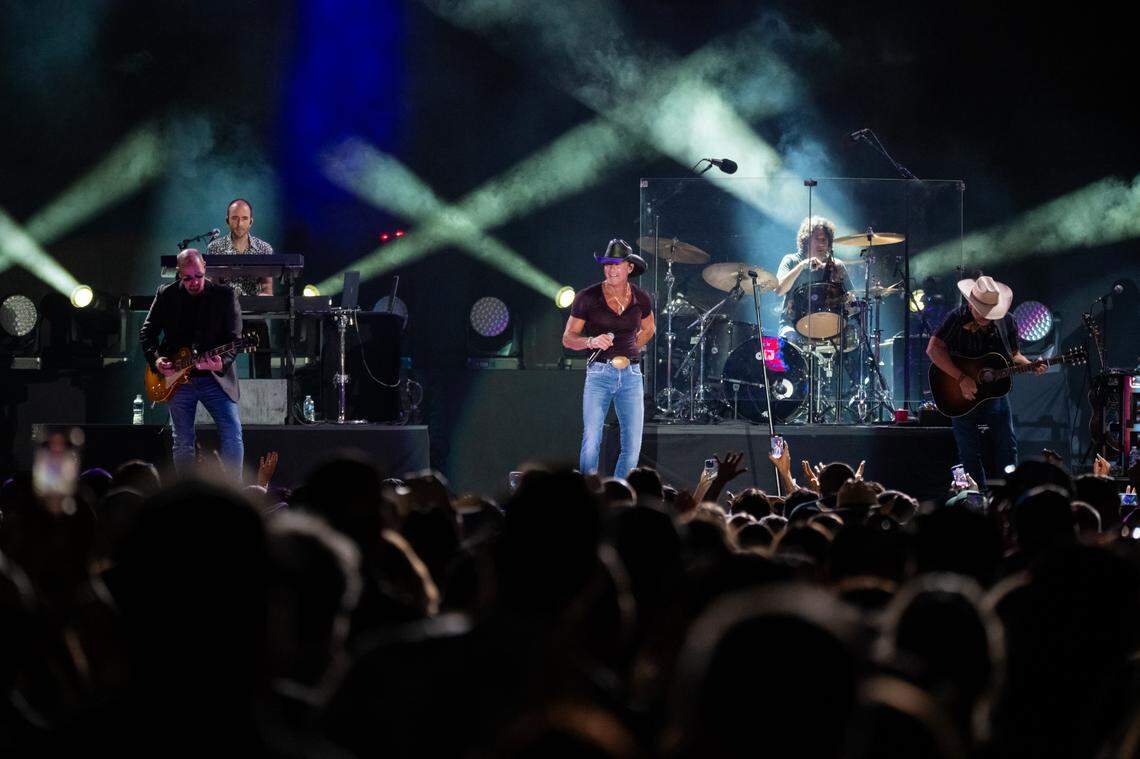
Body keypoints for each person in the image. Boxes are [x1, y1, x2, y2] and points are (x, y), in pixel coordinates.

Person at [926, 275, 1045, 488]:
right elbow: (933, 349)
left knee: (1007, 446)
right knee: (968, 451)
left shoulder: (1007, 321)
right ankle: (975, 495)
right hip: (959, 393)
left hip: (994, 393)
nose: (985, 316)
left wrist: (1030, 364)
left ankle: (1011, 493)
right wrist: (961, 378)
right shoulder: (956, 318)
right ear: (971, 303)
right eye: (981, 309)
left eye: (989, 311)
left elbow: (1014, 355)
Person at [140, 248, 244, 478]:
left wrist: (221, 363)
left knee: (232, 432)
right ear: (179, 273)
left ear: (204, 267)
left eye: (198, 276)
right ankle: (186, 490)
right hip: (177, 379)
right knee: (182, 440)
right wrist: (157, 360)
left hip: (214, 379)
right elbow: (147, 333)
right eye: (187, 278)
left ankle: (233, 490)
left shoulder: (224, 295)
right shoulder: (166, 294)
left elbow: (235, 340)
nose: (194, 282)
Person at [562, 239, 655, 478]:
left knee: (632, 445)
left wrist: (634, 347)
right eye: (607, 264)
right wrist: (591, 341)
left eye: (616, 264)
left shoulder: (641, 298)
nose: (611, 269)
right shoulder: (587, 297)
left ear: (629, 267)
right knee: (592, 438)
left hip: (631, 375)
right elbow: (568, 338)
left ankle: (619, 492)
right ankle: (589, 492)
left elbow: (649, 328)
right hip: (599, 374)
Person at [207, 198, 274, 377]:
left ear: (251, 221)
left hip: (253, 315)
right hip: (226, 316)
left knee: (263, 347)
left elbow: (268, 290)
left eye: (244, 218)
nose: (239, 224)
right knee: (214, 347)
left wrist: (253, 303)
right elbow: (213, 289)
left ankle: (265, 385)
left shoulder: (264, 249)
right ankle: (218, 384)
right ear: (227, 220)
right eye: (235, 218)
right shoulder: (215, 248)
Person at [773, 215, 853, 341]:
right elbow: (779, 290)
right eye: (817, 239)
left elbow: (851, 300)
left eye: (824, 240)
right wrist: (802, 266)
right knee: (789, 337)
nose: (821, 243)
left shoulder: (836, 265)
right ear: (806, 240)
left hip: (828, 324)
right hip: (792, 326)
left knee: (850, 336)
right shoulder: (791, 260)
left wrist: (848, 300)